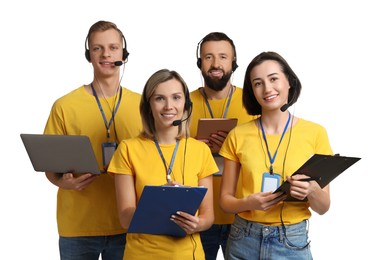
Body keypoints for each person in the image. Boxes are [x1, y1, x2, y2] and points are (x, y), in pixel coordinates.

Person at [219, 51, 332, 259]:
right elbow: (225, 202)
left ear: (289, 81)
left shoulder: (315, 133)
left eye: (273, 79)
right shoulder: (237, 135)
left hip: (291, 242)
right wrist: (249, 203)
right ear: (252, 91)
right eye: (258, 83)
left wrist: (312, 190)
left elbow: (323, 207)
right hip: (243, 238)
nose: (267, 89)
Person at [43, 20, 142, 259]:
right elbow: (49, 165)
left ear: (124, 53)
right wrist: (62, 182)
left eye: (113, 47)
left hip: (128, 223)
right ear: (89, 55)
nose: (106, 54)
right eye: (98, 48)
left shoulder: (144, 105)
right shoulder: (64, 106)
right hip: (78, 226)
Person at [107, 69, 218, 259]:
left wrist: (197, 224)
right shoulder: (128, 149)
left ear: (186, 104)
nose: (169, 106)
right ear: (148, 105)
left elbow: (208, 217)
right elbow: (125, 218)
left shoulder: (200, 150)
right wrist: (158, 199)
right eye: (160, 98)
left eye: (176, 98)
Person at [189, 32, 258, 259]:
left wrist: (231, 148)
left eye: (222, 57)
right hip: (197, 215)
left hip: (243, 215)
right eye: (208, 57)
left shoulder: (253, 102)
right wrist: (193, 150)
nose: (215, 64)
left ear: (234, 63)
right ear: (200, 63)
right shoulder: (181, 104)